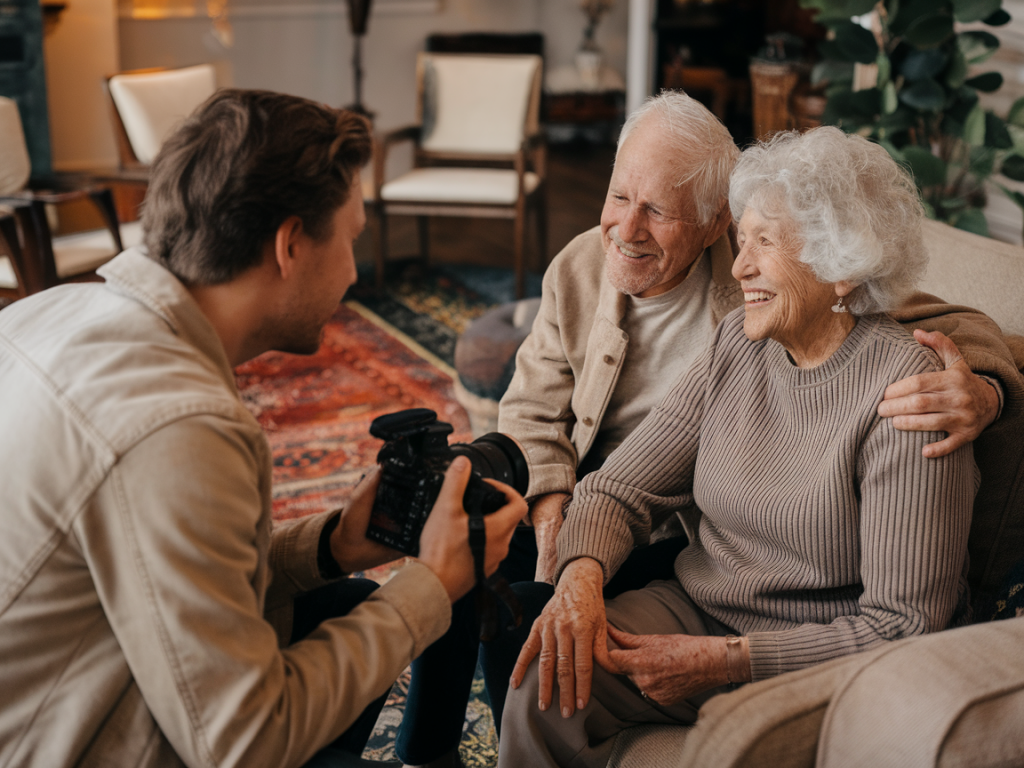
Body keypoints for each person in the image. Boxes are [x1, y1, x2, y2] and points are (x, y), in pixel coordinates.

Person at [396, 92, 1018, 767]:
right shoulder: (738, 344)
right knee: (546, 670)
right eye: (743, 240)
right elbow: (614, 488)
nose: (742, 263)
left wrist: (725, 661)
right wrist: (577, 576)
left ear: (840, 267)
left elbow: (901, 626)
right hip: (699, 602)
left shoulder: (909, 397)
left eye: (765, 244)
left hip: (811, 649)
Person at [0, 89, 525, 768]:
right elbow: (243, 743)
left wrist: (332, 545)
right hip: (66, 741)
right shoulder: (178, 425)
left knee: (346, 601)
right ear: (290, 244)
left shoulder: (50, 311)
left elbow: (165, 578)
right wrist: (429, 585)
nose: (355, 270)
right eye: (351, 239)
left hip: (62, 684)